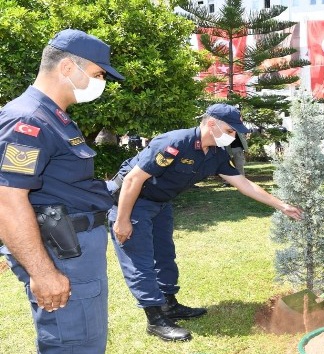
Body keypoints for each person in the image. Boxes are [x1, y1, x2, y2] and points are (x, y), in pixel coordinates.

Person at [107, 103, 303, 342]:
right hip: (133, 201)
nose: (233, 136)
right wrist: (123, 219)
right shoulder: (175, 143)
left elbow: (243, 183)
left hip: (161, 203)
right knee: (141, 261)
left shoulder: (215, 154)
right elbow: (132, 180)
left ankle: (169, 304)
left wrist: (281, 205)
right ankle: (156, 319)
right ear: (211, 123)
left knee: (165, 255)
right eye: (231, 131)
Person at [0, 29, 124, 353]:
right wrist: (42, 273)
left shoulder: (54, 118)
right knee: (75, 345)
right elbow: (7, 199)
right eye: (98, 74)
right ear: (68, 67)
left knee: (86, 342)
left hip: (73, 251)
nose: (102, 83)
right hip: (62, 255)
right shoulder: (28, 119)